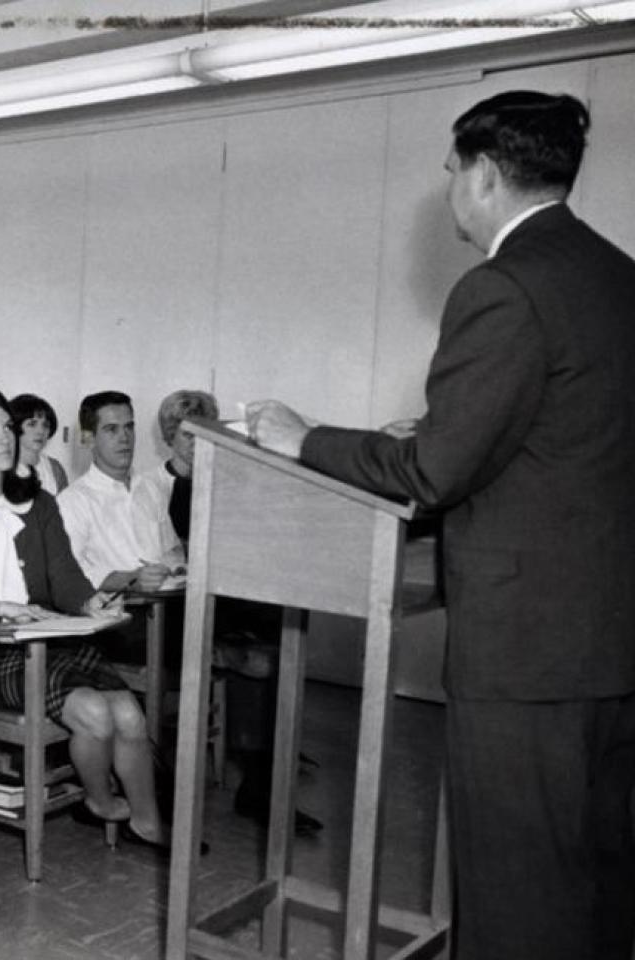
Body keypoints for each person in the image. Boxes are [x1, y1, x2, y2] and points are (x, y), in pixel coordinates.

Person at [247, 91, 635, 960]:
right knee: (599, 882)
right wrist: (442, 430)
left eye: (454, 169)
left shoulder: (500, 285)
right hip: (609, 643)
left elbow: (433, 476)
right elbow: (565, 436)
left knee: (517, 896)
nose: (450, 185)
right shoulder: (616, 276)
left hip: (526, 656)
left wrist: (303, 437)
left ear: (487, 175)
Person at [0, 383, 170, 849]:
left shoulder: (40, 505)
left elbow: (65, 576)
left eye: (7, 426)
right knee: (94, 713)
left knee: (129, 714)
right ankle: (101, 801)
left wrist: (88, 602)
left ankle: (148, 824)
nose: (6, 438)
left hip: (54, 640)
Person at [58, 391, 183, 596]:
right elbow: (70, 573)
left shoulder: (150, 488)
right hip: (118, 613)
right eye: (111, 430)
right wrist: (131, 579)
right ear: (89, 439)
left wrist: (176, 568)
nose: (124, 438)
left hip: (167, 605)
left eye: (129, 427)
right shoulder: (72, 502)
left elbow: (172, 549)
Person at [134, 389, 219, 553]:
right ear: (171, 435)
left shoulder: (220, 485)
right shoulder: (147, 484)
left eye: (203, 434)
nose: (197, 442)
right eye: (189, 435)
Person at [8, 393, 69, 496]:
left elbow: (64, 508)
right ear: (15, 426)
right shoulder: (1, 467)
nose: (40, 431)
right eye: (32, 424)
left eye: (45, 425)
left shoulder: (54, 468)